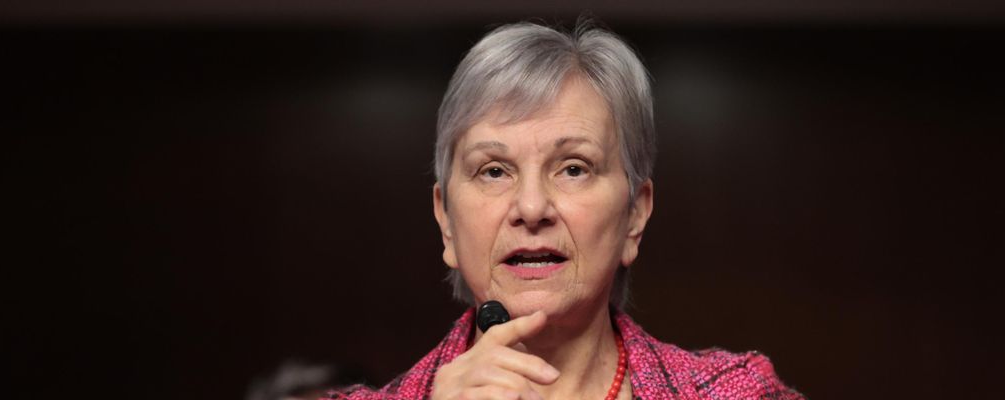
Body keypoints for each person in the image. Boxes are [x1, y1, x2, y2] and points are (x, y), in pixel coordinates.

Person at [327, 19, 804, 400]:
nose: (532, 207)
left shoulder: (739, 393)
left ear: (635, 215)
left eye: (574, 168)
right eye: (494, 171)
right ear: (446, 221)